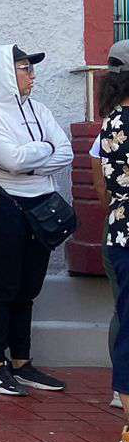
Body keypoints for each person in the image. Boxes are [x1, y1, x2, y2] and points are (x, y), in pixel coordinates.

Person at [0, 44, 74, 395]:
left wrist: (33, 156)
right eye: (25, 68)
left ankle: (23, 362)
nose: (32, 75)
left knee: (29, 286)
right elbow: (10, 160)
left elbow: (67, 151)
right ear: (5, 73)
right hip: (0, 205)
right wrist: (45, 150)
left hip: (40, 205)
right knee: (2, 285)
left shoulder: (38, 108)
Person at [91, 39, 129, 408]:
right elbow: (100, 182)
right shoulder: (121, 123)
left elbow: (104, 184)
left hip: (119, 226)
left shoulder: (110, 122)